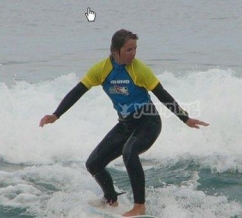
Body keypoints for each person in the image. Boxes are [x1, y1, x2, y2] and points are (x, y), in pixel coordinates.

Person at [39, 29, 209, 217]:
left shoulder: (139, 69)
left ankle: (139, 206)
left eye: (135, 49)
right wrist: (56, 115)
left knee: (130, 152)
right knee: (94, 164)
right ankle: (110, 199)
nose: (133, 54)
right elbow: (77, 91)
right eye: (129, 50)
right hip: (126, 124)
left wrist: (185, 118)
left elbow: (162, 94)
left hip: (148, 121)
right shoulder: (101, 70)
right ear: (115, 50)